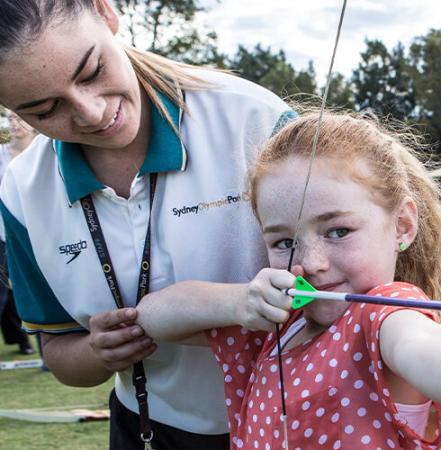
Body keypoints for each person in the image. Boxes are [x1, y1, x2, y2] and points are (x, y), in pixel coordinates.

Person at [134, 111, 441, 450]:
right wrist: (239, 303)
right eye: (284, 241)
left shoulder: (384, 316)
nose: (310, 262)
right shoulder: (281, 323)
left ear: (402, 226)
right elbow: (154, 315)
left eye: (338, 231)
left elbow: (428, 346)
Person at [0, 0, 296, 447]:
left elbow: (357, 289)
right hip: (148, 430)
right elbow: (59, 353)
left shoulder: (253, 121)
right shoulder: (22, 192)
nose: (92, 113)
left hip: (293, 423)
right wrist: (97, 352)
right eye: (44, 110)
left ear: (106, 13)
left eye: (92, 70)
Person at [0, 112, 36, 355]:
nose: (15, 124)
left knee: (28, 291)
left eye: (19, 118)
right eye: (11, 119)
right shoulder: (2, 154)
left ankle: (26, 341)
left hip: (36, 235)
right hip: (2, 234)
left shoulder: (45, 153)